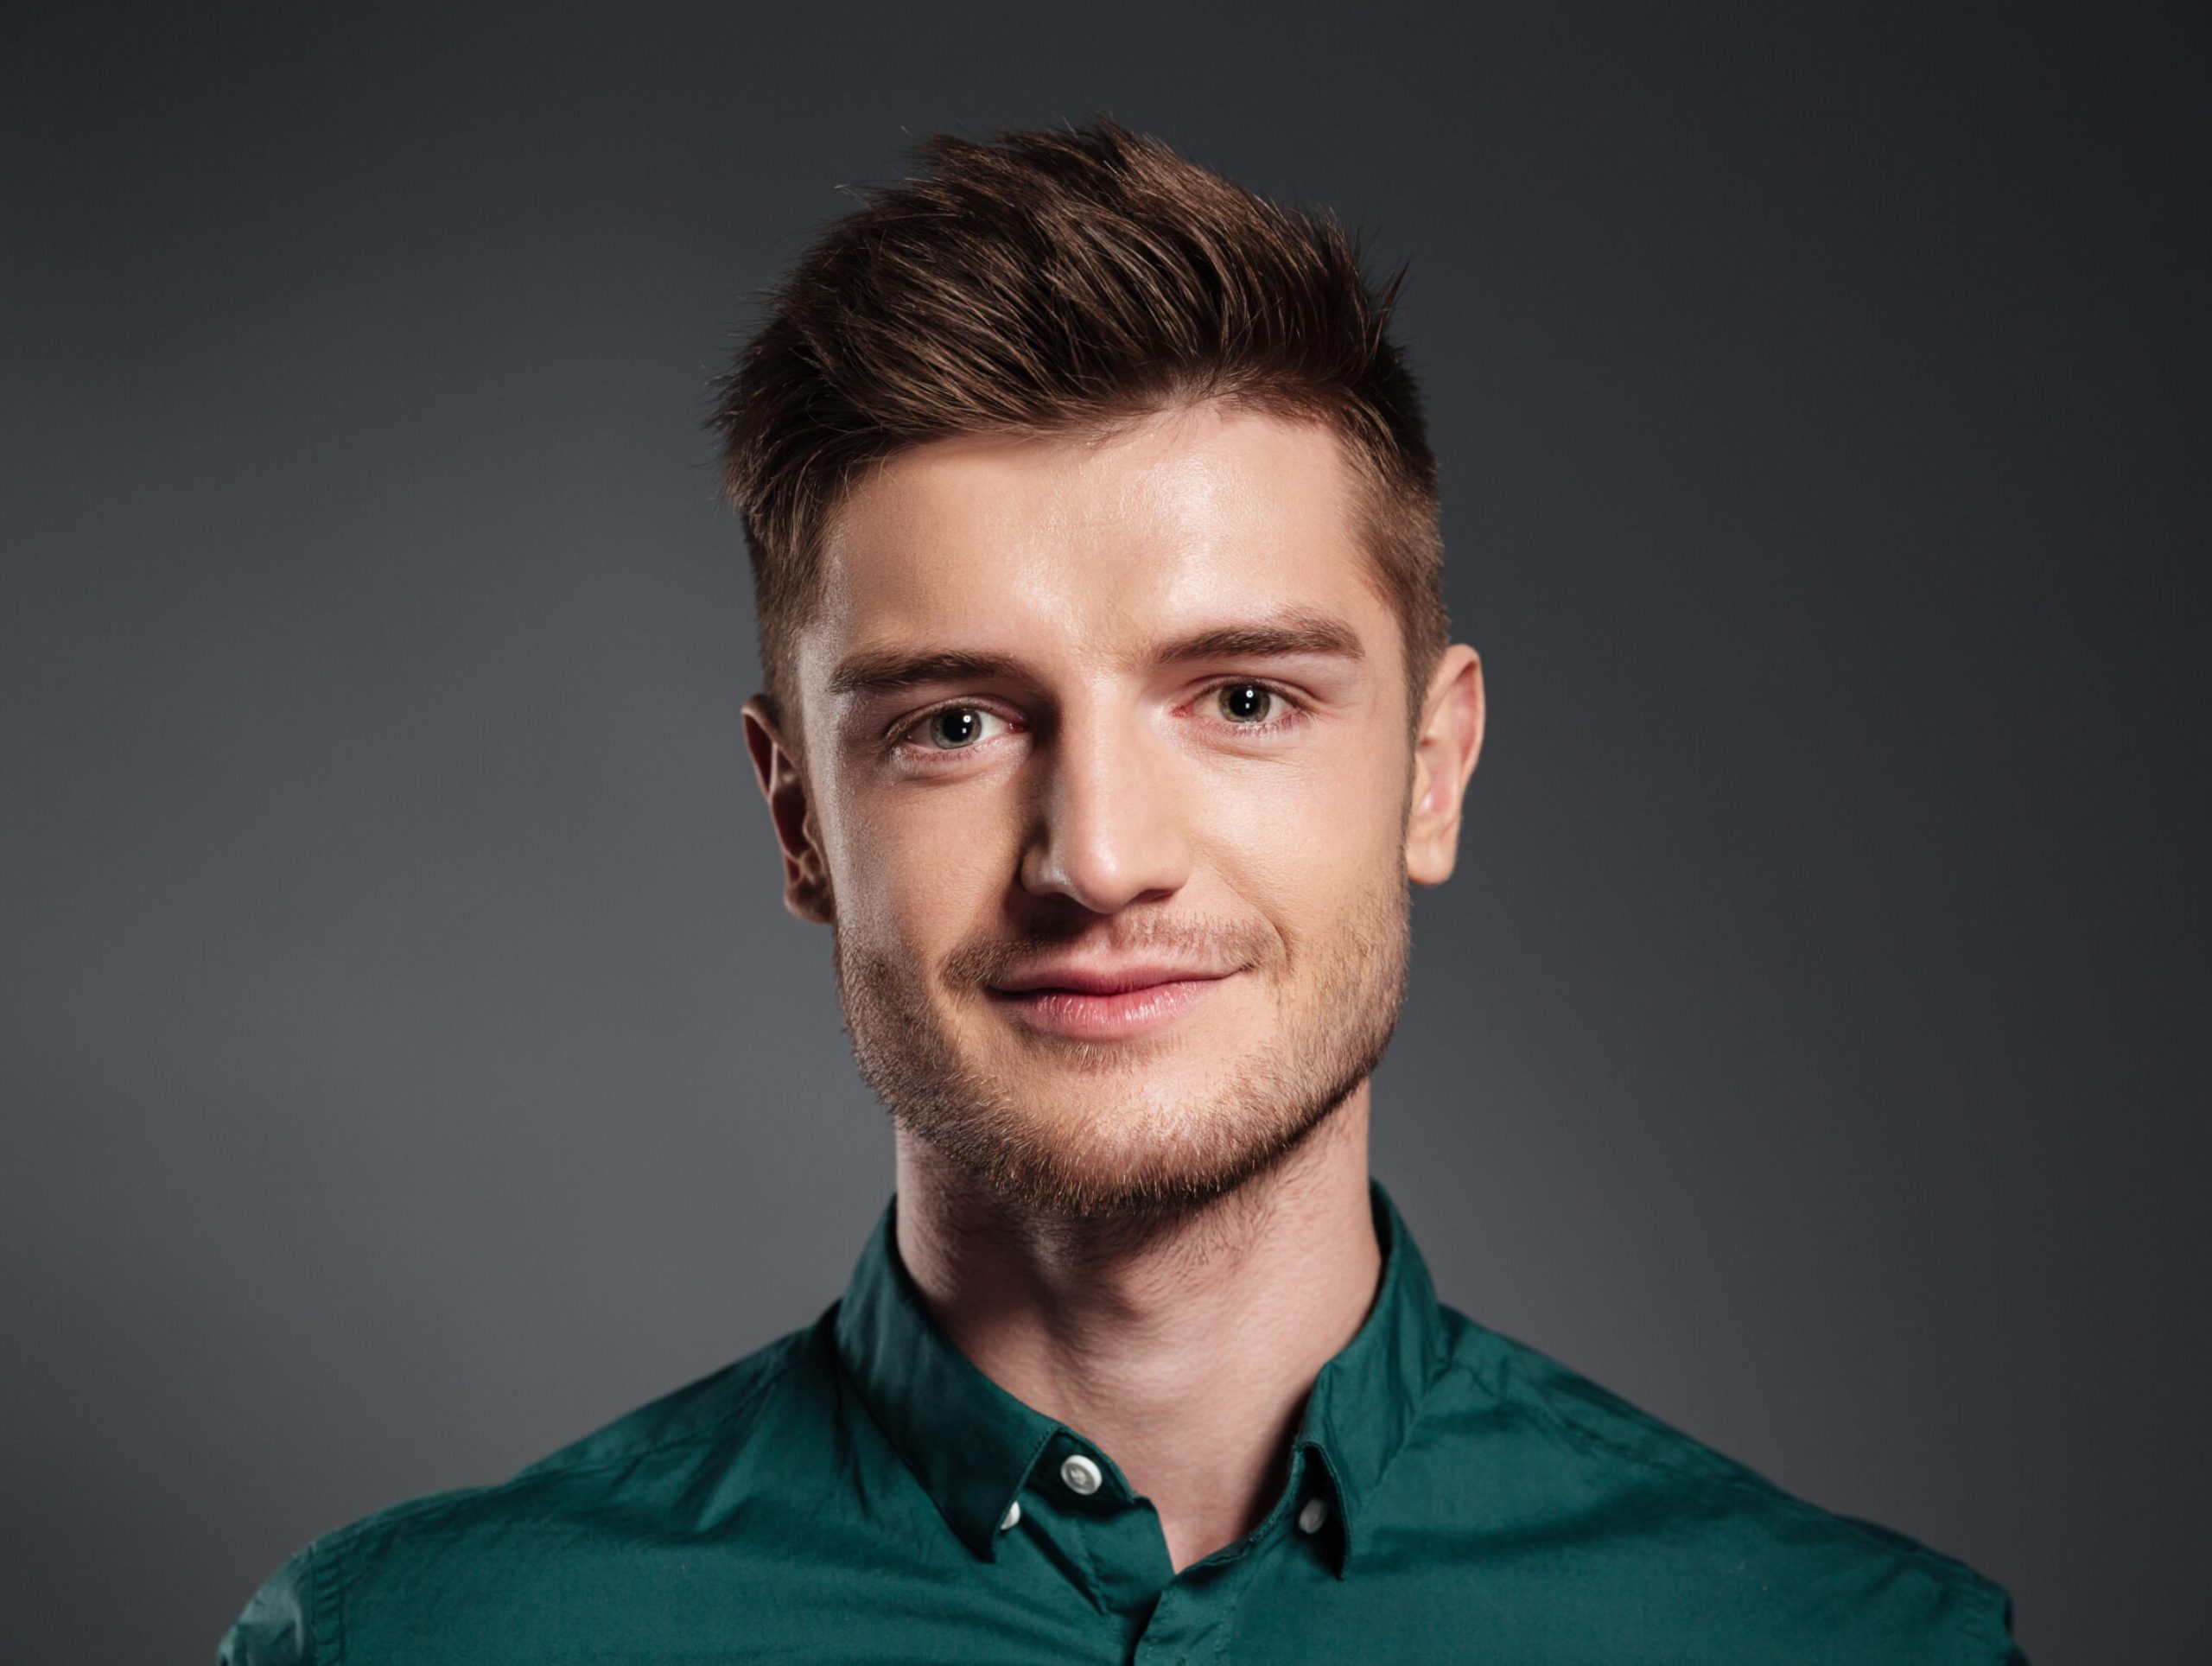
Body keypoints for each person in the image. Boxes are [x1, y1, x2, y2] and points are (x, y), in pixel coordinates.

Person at [219, 122, 2024, 1663]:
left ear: (1431, 766)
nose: (1094, 857)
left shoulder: (1846, 1644)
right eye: (950, 722)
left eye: (1243, 699)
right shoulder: (420, 1641)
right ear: (795, 819)